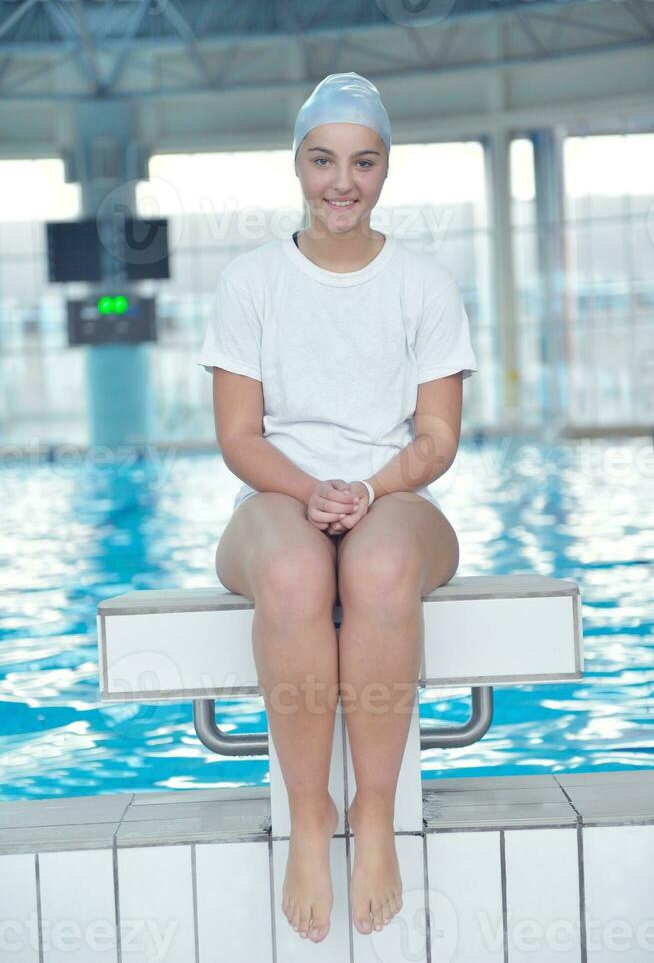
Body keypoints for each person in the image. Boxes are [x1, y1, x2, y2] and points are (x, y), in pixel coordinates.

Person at [197, 71, 478, 944]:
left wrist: (370, 489)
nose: (342, 183)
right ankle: (312, 817)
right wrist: (308, 490)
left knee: (379, 561)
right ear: (297, 164)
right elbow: (240, 436)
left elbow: (436, 438)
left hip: (395, 496)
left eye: (362, 162)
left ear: (386, 170)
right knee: (291, 567)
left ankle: (379, 814)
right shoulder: (251, 282)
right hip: (276, 495)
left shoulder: (424, 286)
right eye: (324, 161)